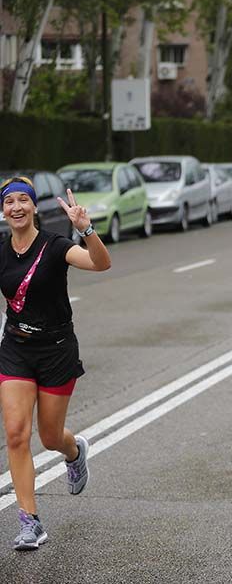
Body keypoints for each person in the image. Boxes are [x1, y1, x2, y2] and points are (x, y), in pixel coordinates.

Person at [0, 177, 111, 550]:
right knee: (16, 433)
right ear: (3, 210)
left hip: (57, 349)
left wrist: (87, 230)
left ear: (34, 207)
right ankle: (30, 521)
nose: (15, 207)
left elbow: (101, 264)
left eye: (22, 201)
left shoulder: (55, 245)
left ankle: (74, 451)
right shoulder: (1, 250)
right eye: (8, 201)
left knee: (49, 437)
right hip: (16, 347)